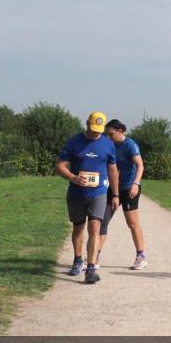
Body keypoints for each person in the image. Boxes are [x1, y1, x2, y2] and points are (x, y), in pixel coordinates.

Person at [56, 111, 118, 284]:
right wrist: (73, 178)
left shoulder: (108, 145)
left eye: (99, 130)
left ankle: (90, 268)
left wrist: (116, 194)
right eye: (92, 129)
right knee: (78, 228)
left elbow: (113, 170)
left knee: (95, 228)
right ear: (87, 123)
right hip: (77, 193)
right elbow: (60, 166)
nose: (95, 133)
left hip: (98, 193)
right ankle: (77, 259)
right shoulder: (74, 142)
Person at [97, 119, 148, 270]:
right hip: (114, 188)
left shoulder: (130, 145)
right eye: (107, 134)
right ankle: (95, 255)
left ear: (120, 131)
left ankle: (141, 256)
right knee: (101, 220)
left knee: (132, 223)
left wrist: (136, 184)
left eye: (111, 134)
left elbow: (140, 165)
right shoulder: (111, 145)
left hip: (128, 188)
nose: (109, 137)